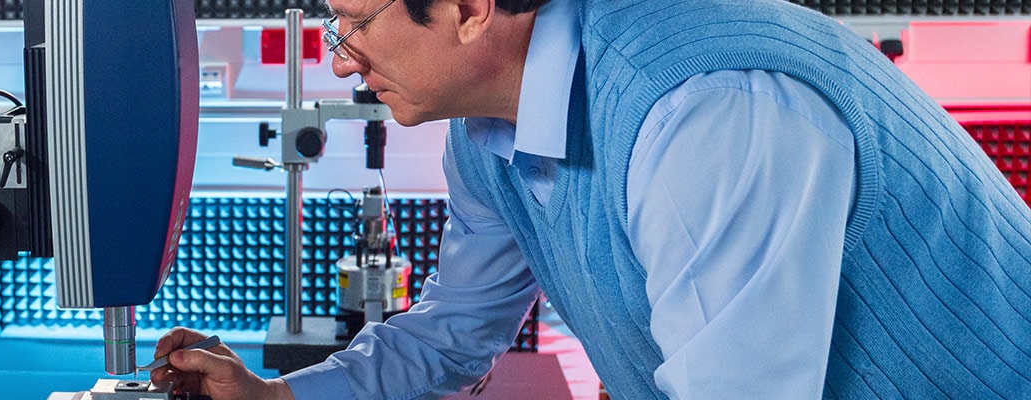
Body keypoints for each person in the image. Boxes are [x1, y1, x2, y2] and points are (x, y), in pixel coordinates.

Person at [152, 0, 1031, 398]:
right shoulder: (489, 130)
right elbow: (456, 329)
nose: (342, 59)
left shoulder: (701, 110)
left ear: (469, 8)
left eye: (355, 24)